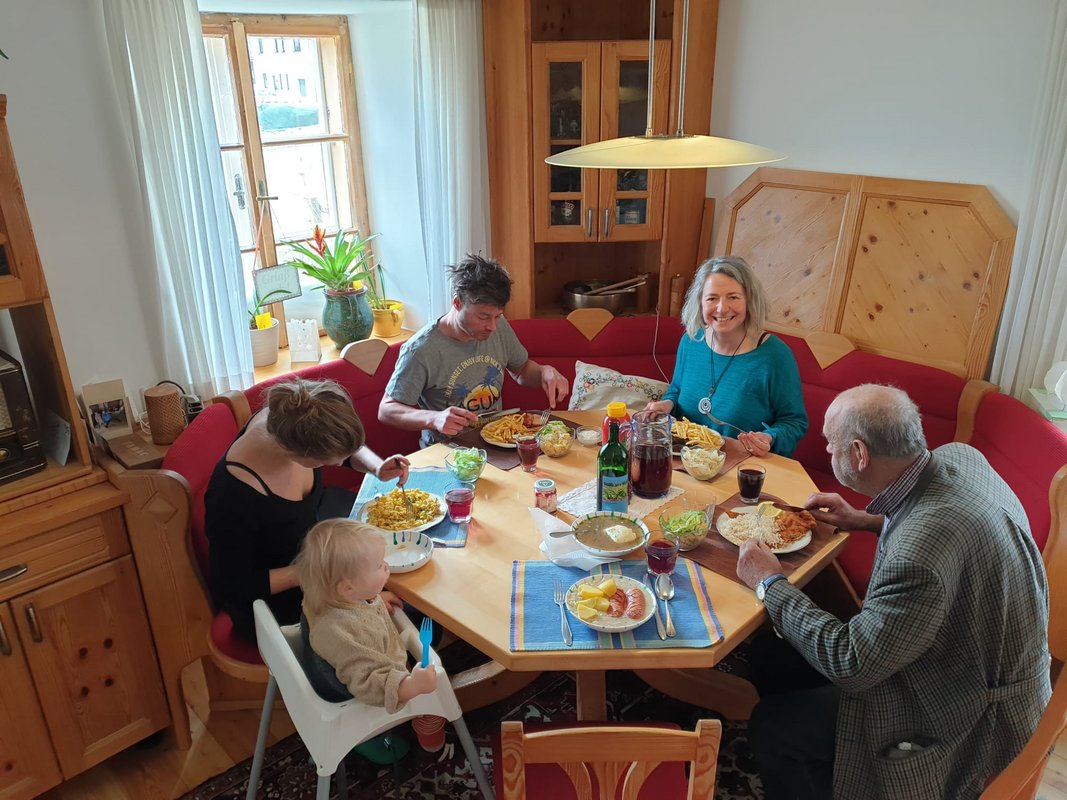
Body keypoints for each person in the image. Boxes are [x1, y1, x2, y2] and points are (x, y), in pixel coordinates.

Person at [737, 384, 1050, 799]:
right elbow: (940, 531)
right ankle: (829, 766)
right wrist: (865, 519)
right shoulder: (959, 457)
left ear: (859, 454)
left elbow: (851, 662)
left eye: (831, 444)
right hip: (964, 662)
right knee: (770, 655)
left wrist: (769, 582)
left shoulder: (919, 555)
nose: (827, 450)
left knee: (773, 728)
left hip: (967, 713)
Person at [205, 378, 409, 642]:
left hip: (318, 563)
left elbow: (343, 449)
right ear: (296, 453)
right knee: (410, 616)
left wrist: (376, 467)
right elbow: (233, 586)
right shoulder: (232, 495)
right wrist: (327, 578)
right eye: (328, 461)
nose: (340, 463)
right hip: (278, 604)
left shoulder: (293, 413)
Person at [379, 254, 569, 446]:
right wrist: (434, 418)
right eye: (483, 317)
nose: (492, 326)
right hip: (448, 452)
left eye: (498, 316)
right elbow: (386, 410)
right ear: (457, 303)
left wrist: (544, 372)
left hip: (497, 443)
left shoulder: (498, 326)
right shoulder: (421, 350)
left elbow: (521, 370)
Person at [644, 256, 807, 457]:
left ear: (749, 301)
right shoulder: (691, 341)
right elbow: (676, 390)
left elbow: (794, 422)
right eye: (712, 298)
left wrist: (769, 437)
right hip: (684, 460)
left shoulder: (776, 355)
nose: (722, 308)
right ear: (700, 303)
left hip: (745, 464)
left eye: (733, 297)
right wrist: (667, 404)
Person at [295, 518, 438, 711]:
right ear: (348, 588)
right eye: (379, 565)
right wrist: (413, 685)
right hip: (375, 689)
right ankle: (425, 721)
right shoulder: (345, 634)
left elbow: (348, 594)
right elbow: (370, 683)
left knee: (428, 624)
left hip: (379, 649)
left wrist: (371, 596)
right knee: (432, 685)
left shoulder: (328, 594)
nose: (386, 565)